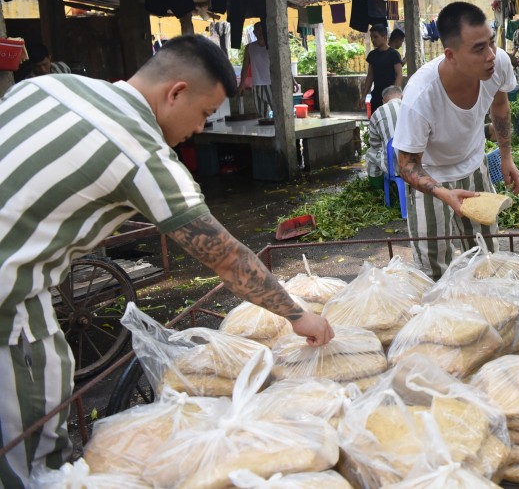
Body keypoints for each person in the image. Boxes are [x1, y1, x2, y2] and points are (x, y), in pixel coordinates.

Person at [0, 36, 333, 487]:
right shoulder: (141, 154)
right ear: (175, 92)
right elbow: (227, 258)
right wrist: (297, 315)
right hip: (9, 305)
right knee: (33, 463)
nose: (199, 129)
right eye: (202, 115)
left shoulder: (46, 88)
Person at [392, 2, 519, 279]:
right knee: (435, 266)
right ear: (450, 55)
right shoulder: (420, 96)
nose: (490, 56)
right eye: (478, 49)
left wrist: (506, 156)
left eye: (492, 43)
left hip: (475, 166)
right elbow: (406, 166)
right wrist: (444, 193)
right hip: (433, 178)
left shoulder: (498, 63)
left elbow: (500, 105)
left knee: (487, 258)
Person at [365, 85, 403, 188]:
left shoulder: (377, 113)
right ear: (402, 96)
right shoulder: (412, 107)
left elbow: (375, 144)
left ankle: (378, 191)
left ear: (383, 100)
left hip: (395, 167)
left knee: (371, 153)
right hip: (418, 165)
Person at [360, 24, 403, 114]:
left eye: (376, 37)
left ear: (384, 37)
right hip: (376, 95)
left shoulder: (394, 54)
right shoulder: (372, 55)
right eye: (372, 37)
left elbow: (399, 74)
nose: (373, 40)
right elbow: (370, 76)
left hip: (390, 96)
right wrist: (364, 95)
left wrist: (395, 94)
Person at [239, 21, 272, 117]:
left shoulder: (272, 45)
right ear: (254, 32)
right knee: (262, 115)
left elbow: (283, 63)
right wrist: (242, 85)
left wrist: (292, 80)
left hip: (272, 84)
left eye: (262, 29)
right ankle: (266, 132)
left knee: (279, 112)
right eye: (257, 30)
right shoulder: (250, 47)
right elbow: (245, 67)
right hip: (257, 85)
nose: (260, 32)